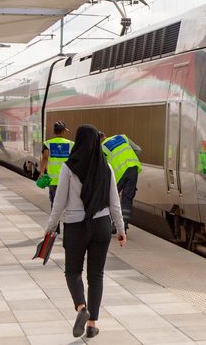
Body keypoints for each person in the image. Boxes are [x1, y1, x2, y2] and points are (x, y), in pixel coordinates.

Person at [44, 125, 127, 339]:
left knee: (72, 272)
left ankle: (82, 308)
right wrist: (120, 228)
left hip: (75, 226)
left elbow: (59, 203)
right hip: (101, 226)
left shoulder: (68, 168)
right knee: (96, 276)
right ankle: (92, 324)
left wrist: (50, 228)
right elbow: (114, 202)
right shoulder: (106, 167)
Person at [101, 133, 142, 232]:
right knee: (127, 198)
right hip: (133, 168)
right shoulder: (122, 137)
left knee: (111, 198)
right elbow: (138, 150)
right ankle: (124, 224)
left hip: (119, 173)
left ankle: (112, 224)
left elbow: (102, 166)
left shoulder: (102, 147)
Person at [41, 121, 74, 210]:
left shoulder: (47, 143)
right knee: (68, 204)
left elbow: (45, 158)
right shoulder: (71, 144)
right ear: (63, 131)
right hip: (67, 179)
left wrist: (41, 173)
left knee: (55, 204)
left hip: (53, 180)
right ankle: (67, 222)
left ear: (54, 132)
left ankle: (56, 223)